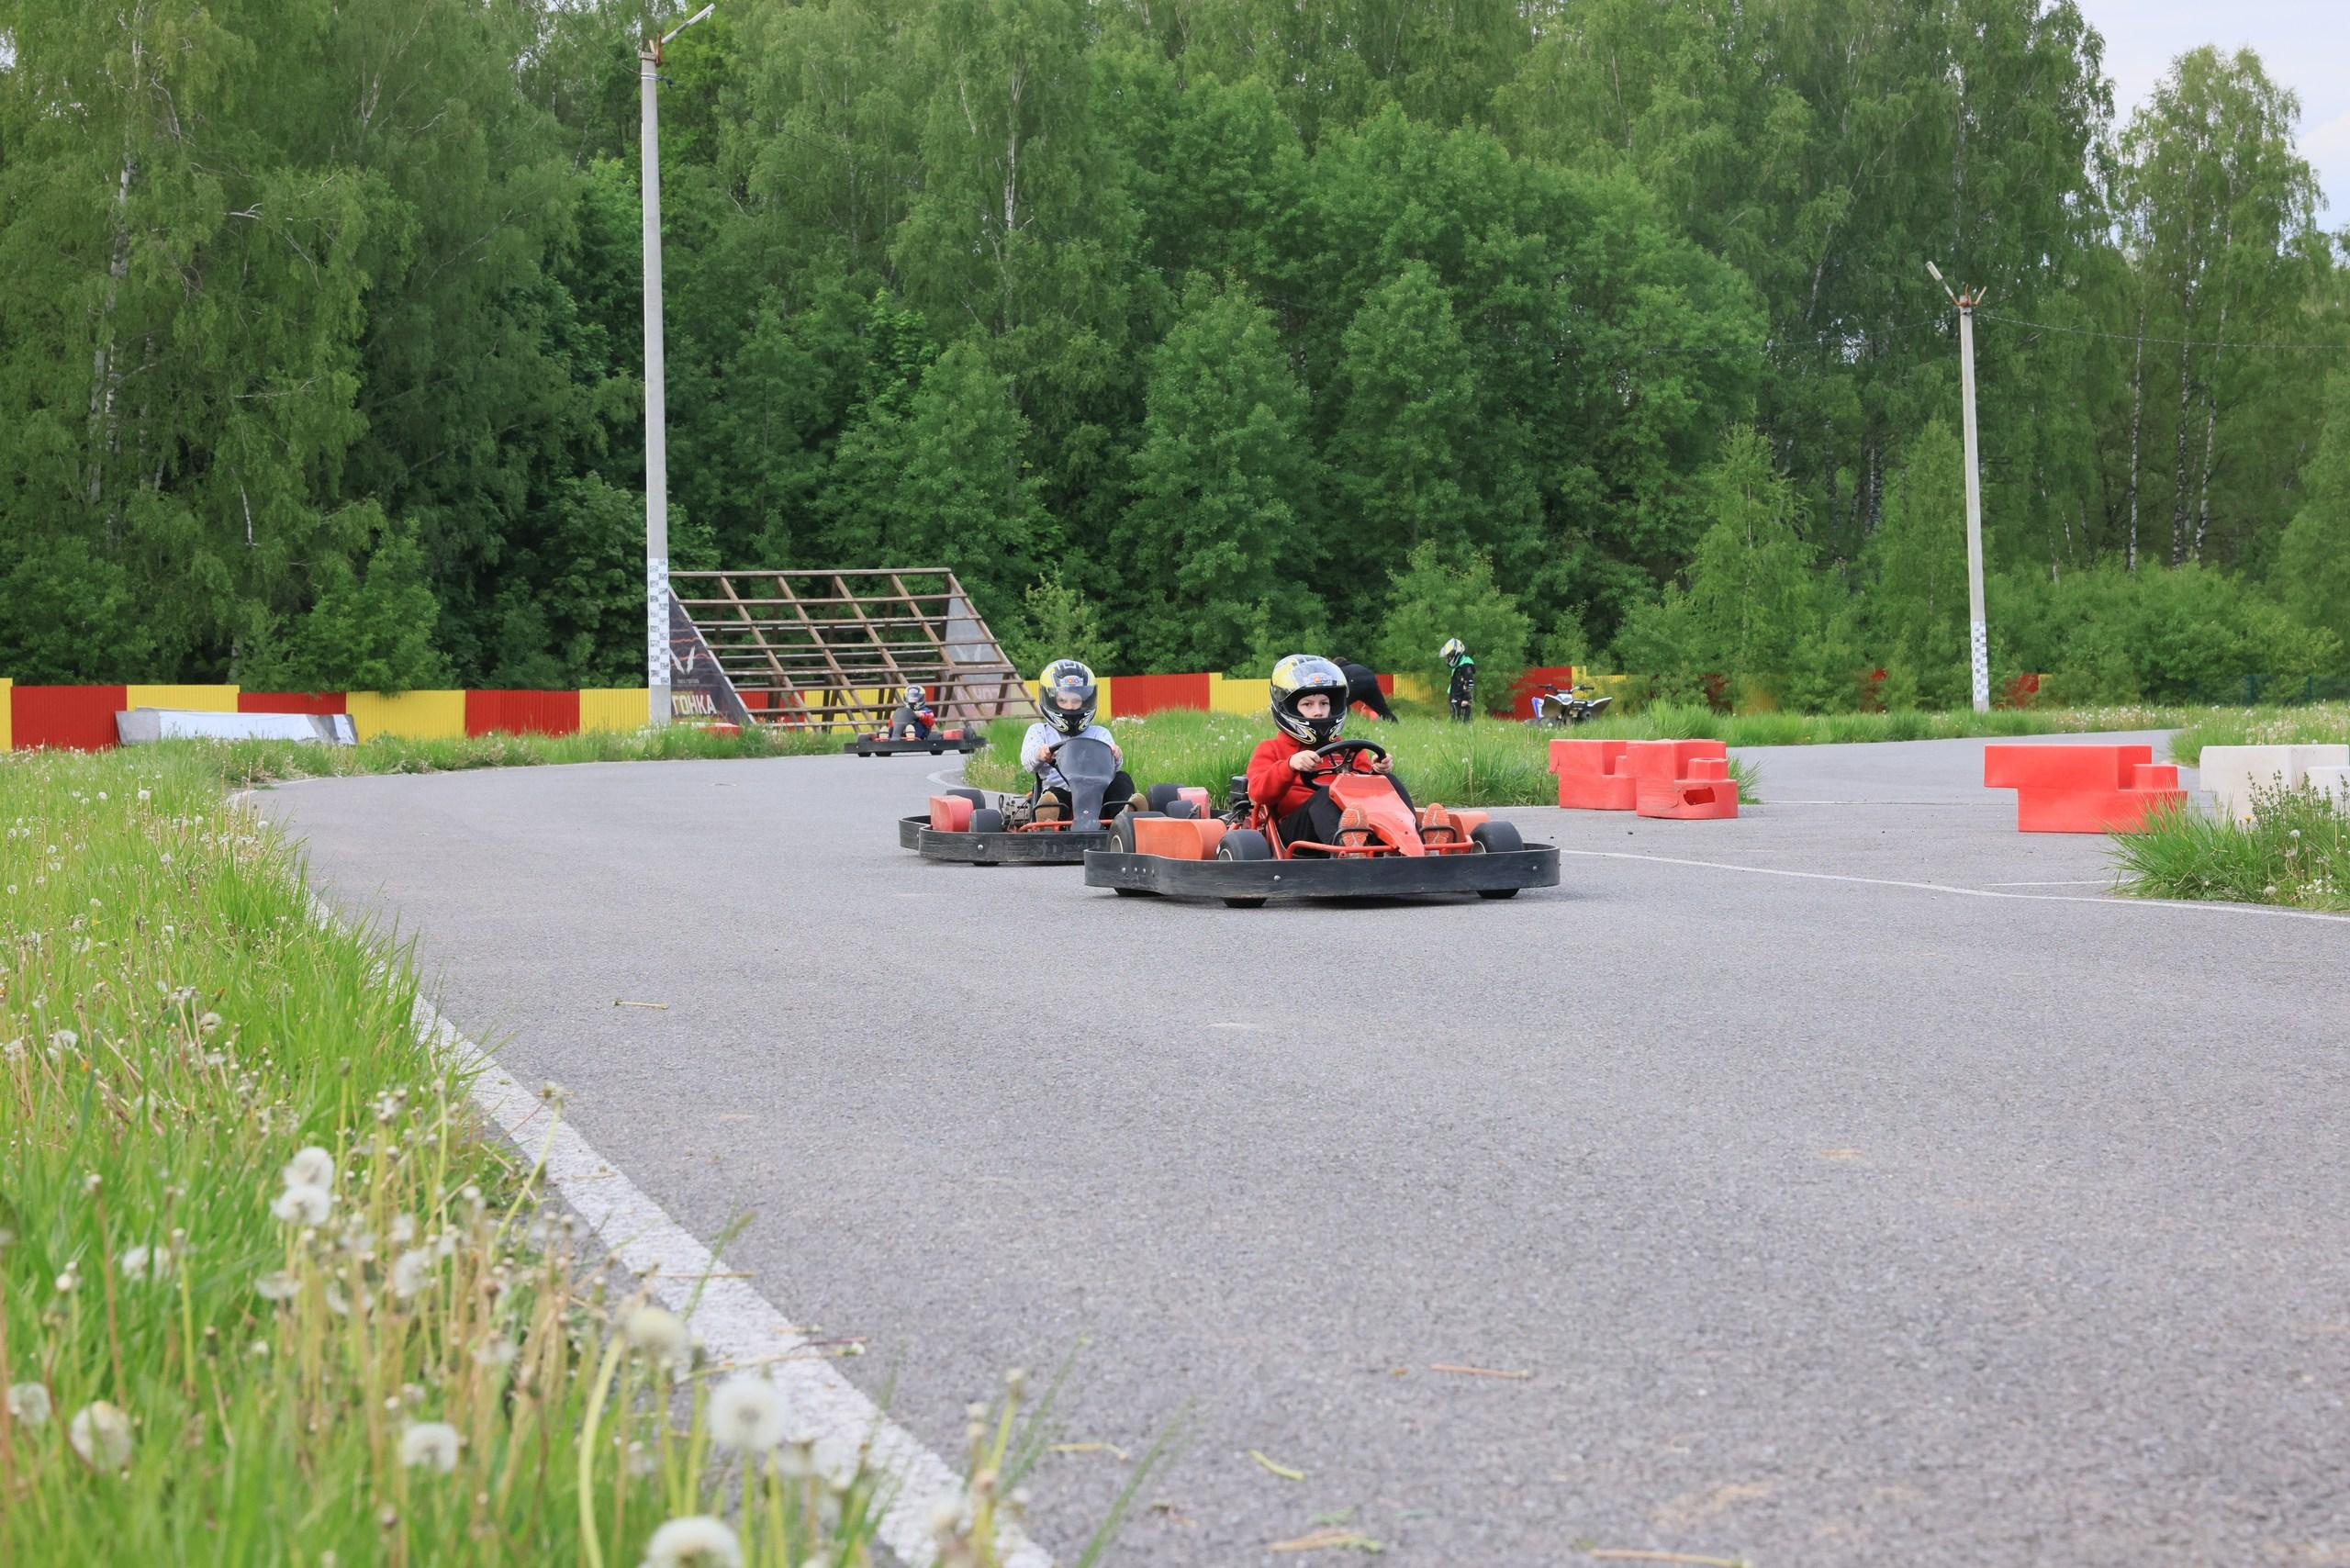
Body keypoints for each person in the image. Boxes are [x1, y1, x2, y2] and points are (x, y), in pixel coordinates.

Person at [1244, 655, 1414, 852]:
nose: (1318, 712)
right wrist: (1289, 766)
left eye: (1324, 704)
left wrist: (1377, 771)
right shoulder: (1271, 749)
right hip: (1297, 831)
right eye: (1308, 705)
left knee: (1388, 782)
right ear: (1290, 708)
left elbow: (1367, 792)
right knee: (1326, 795)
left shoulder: (1347, 749)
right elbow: (1259, 794)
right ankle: (1348, 852)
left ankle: (1413, 842)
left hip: (1354, 822)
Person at [1019, 659, 1135, 820]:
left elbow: (1113, 764)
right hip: (1059, 792)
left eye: (1076, 701)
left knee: (1122, 779)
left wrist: (1116, 754)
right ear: (1051, 700)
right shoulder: (1040, 731)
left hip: (1097, 795)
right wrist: (1040, 755)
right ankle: (1048, 818)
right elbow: (1027, 761)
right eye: (1063, 701)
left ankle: (1125, 815)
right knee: (1055, 796)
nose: (1070, 707)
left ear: (1085, 701)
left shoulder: (1098, 733)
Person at [1329, 657, 1398, 722]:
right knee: (1383, 709)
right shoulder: (1355, 666)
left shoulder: (1339, 670)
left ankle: (1332, 723)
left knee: (1338, 704)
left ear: (1336, 665)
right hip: (1371, 681)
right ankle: (1395, 724)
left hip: (1356, 682)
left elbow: (1339, 691)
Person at [1442, 639, 1476, 723]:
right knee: (1455, 721)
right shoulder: (1458, 666)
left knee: (1465, 722)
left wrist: (1466, 698)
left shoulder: (1465, 666)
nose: (1448, 658)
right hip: (1455, 699)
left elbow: (1469, 682)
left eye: (1449, 656)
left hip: (1462, 701)